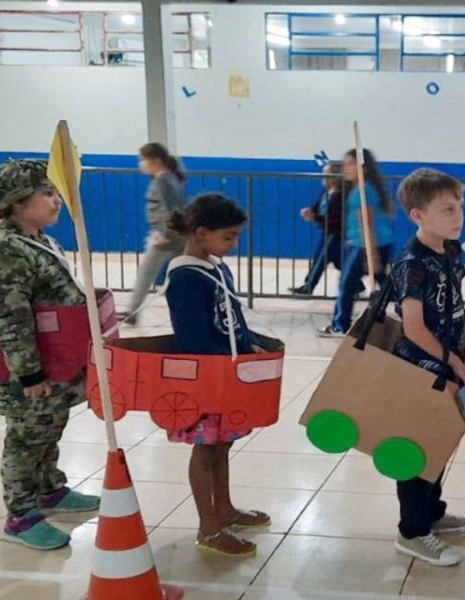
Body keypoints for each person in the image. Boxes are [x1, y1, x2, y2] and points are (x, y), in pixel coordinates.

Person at [0, 159, 101, 550]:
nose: (55, 199)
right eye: (45, 193)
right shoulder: (7, 252)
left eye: (54, 190)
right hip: (30, 371)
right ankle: (20, 515)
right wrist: (29, 377)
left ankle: (50, 491)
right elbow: (11, 319)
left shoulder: (38, 240)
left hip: (56, 363)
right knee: (25, 441)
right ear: (16, 204)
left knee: (49, 429)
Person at [164, 193, 273, 557]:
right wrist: (232, 360)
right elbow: (192, 337)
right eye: (228, 237)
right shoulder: (184, 277)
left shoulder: (216, 267)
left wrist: (251, 343)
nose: (234, 244)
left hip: (228, 374)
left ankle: (224, 509)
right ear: (200, 233)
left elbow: (233, 319)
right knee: (205, 447)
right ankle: (208, 527)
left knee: (222, 444)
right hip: (207, 379)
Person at [388, 168, 465, 566]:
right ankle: (412, 530)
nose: (458, 216)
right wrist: (453, 360)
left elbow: (455, 312)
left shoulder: (451, 252)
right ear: (417, 215)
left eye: (459, 207)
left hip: (449, 365)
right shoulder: (413, 263)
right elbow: (413, 327)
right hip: (420, 370)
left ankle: (432, 512)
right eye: (446, 209)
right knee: (417, 448)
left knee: (440, 440)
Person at [320, 149, 395, 337]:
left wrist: (373, 254)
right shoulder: (358, 189)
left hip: (366, 245)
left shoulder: (364, 191)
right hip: (363, 243)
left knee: (346, 284)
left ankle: (340, 325)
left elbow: (366, 222)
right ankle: (411, 306)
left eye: (350, 164)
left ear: (364, 168)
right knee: (384, 284)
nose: (345, 168)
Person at [125, 143, 188, 323]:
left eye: (143, 160)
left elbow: (173, 210)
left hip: (167, 237)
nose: (141, 164)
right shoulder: (170, 179)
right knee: (181, 274)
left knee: (146, 272)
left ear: (156, 161)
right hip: (176, 235)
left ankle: (132, 313)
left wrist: (166, 234)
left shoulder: (163, 182)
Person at [292, 162, 344, 295]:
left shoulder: (339, 196)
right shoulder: (326, 192)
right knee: (339, 262)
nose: (324, 177)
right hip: (326, 231)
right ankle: (356, 285)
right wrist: (310, 211)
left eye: (327, 175)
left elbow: (335, 218)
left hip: (335, 232)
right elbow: (318, 206)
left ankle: (308, 286)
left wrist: (315, 217)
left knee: (320, 260)